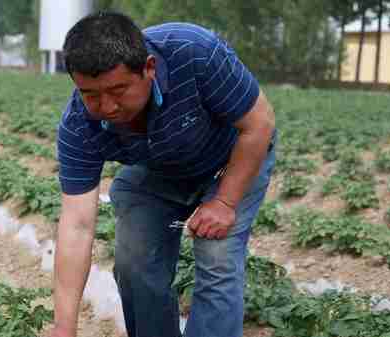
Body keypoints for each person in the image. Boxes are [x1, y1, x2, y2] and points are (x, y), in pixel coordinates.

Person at [50, 11, 276, 337]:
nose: (108, 106)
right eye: (92, 95)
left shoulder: (194, 52)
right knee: (135, 263)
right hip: (159, 169)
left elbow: (259, 124)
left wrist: (225, 202)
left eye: (118, 90)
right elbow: (77, 224)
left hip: (233, 157)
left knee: (218, 255)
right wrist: (64, 326)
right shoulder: (79, 127)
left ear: (149, 69)